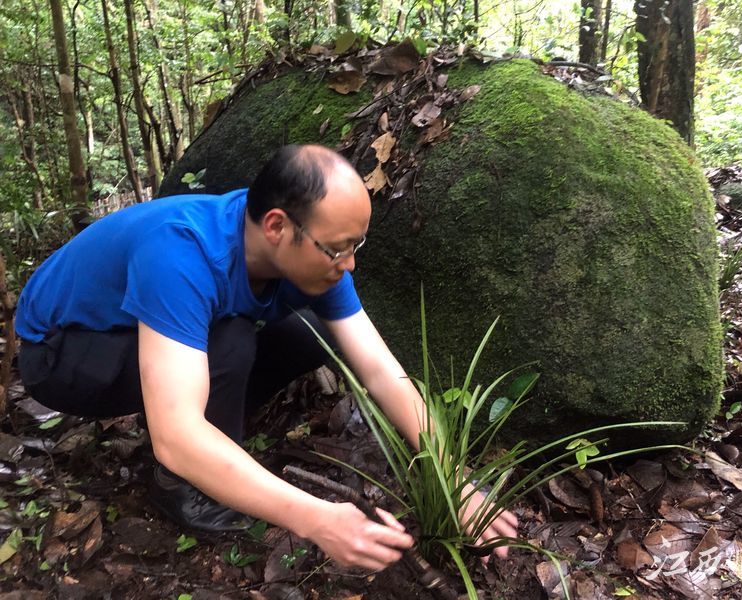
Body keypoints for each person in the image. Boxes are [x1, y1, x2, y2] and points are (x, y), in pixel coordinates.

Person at [15, 144, 517, 571]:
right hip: (61, 354)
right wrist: (316, 517)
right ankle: (178, 485)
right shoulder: (183, 252)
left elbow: (382, 370)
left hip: (144, 337)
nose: (350, 263)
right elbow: (175, 438)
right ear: (277, 226)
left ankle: (213, 439)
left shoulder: (309, 259)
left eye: (356, 245)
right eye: (338, 248)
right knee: (229, 341)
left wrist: (455, 480)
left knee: (307, 332)